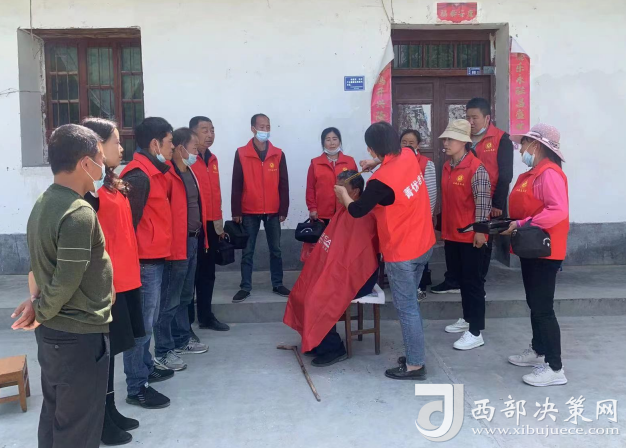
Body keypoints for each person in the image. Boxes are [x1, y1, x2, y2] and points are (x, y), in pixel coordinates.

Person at [11, 124, 113, 448]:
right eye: (100, 158)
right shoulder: (78, 212)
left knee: (57, 418)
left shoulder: (44, 202)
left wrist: (36, 304)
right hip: (77, 335)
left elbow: (41, 266)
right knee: (78, 430)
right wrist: (39, 310)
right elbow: (67, 278)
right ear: (85, 163)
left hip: (55, 336)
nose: (104, 165)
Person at [335, 122, 435, 380]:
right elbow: (395, 164)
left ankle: (415, 365)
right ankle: (415, 354)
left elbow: (357, 210)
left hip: (402, 252)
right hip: (424, 243)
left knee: (407, 308)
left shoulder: (380, 182)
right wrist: (376, 163)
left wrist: (343, 195)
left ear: (371, 148)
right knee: (412, 304)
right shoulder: (409, 155)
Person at [81, 118, 144, 446]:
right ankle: (100, 419)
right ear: (97, 146)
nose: (121, 147)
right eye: (115, 142)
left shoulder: (111, 182)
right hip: (108, 283)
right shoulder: (89, 190)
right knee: (102, 354)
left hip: (125, 277)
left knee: (113, 350)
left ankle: (111, 408)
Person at [285, 170, 379, 367]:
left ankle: (334, 348)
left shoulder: (363, 216)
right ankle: (316, 340)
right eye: (336, 187)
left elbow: (356, 258)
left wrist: (332, 274)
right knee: (302, 292)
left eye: (341, 188)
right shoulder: (344, 211)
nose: (336, 191)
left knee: (317, 298)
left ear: (355, 192)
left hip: (358, 275)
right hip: (338, 269)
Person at [502, 124, 569, 387]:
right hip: (531, 246)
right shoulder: (535, 173)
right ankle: (538, 350)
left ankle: (555, 367)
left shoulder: (549, 173)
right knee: (535, 303)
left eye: (524, 144)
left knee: (543, 308)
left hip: (544, 249)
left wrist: (522, 224)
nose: (521, 149)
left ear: (536, 146)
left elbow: (557, 210)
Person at [431, 98, 513, 294]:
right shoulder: (461, 139)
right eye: (468, 117)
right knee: (454, 244)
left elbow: (505, 174)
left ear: (487, 118)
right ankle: (454, 280)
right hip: (461, 199)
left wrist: (497, 203)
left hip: (488, 201)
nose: (471, 121)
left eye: (475, 117)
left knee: (482, 242)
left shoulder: (501, 139)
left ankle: (477, 280)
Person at [120, 117, 174, 409]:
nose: (172, 148)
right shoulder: (139, 176)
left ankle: (146, 367)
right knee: (140, 327)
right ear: (155, 144)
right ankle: (136, 387)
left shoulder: (153, 172)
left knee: (148, 322)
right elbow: (127, 224)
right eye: (169, 142)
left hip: (154, 257)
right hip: (143, 262)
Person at [154, 128, 210, 372]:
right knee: (169, 299)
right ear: (180, 148)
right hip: (176, 244)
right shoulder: (167, 174)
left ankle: (181, 339)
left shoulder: (190, 172)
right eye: (194, 147)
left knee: (185, 296)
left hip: (193, 240)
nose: (197, 151)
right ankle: (163, 350)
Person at [439, 120, 491, 350]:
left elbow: (483, 202)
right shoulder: (447, 166)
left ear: (464, 142)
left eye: (450, 139)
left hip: (471, 236)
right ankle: (467, 318)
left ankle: (476, 331)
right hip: (452, 234)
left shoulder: (476, 168)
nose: (445, 143)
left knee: (473, 283)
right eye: (445, 139)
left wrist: (480, 231)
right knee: (461, 281)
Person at [231, 113, 290, 303]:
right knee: (247, 251)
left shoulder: (278, 153)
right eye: (261, 127)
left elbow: (283, 183)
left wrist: (283, 209)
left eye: (268, 127)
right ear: (253, 129)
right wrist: (236, 211)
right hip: (249, 210)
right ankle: (245, 287)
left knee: (276, 250)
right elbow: (236, 183)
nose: (265, 130)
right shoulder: (242, 153)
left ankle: (278, 283)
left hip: (273, 210)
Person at [188, 116, 230, 332]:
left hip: (212, 226)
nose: (210, 134)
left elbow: (216, 194)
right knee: (189, 275)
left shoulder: (212, 159)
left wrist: (219, 226)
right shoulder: (187, 160)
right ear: (193, 133)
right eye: (204, 130)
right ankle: (185, 323)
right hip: (194, 227)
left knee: (207, 273)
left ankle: (206, 317)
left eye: (212, 130)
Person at [306, 127, 357, 223]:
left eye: (335, 139)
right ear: (323, 142)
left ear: (339, 141)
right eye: (328, 140)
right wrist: (312, 208)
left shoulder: (350, 161)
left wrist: (355, 205)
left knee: (343, 233)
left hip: (345, 209)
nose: (332, 143)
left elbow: (356, 186)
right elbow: (310, 188)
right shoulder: (315, 163)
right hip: (322, 213)